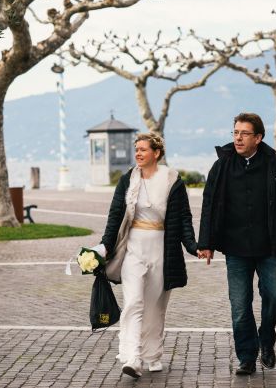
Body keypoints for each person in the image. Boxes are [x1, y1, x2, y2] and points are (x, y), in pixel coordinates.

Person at [197, 112, 276, 375]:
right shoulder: (222, 166)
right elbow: (209, 205)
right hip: (235, 249)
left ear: (258, 138)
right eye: (235, 133)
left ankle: (266, 339)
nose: (238, 138)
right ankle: (247, 357)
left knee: (273, 296)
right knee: (240, 306)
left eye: (244, 134)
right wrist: (206, 243)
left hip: (268, 248)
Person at [100, 132, 198, 378]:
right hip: (133, 248)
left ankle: (152, 354)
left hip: (161, 249)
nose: (138, 154)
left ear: (157, 153)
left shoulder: (172, 180)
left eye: (143, 149)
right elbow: (115, 215)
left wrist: (193, 246)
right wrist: (105, 245)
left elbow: (183, 218)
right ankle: (132, 356)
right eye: (137, 149)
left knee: (155, 306)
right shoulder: (128, 179)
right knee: (133, 301)